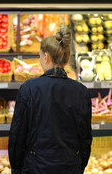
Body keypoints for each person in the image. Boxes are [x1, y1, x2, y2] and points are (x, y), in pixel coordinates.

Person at [8, 26, 92, 174]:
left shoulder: (29, 89)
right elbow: (85, 138)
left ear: (46, 57)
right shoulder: (81, 92)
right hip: (69, 166)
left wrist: (16, 167)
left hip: (36, 166)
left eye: (40, 56)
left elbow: (17, 135)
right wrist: (79, 166)